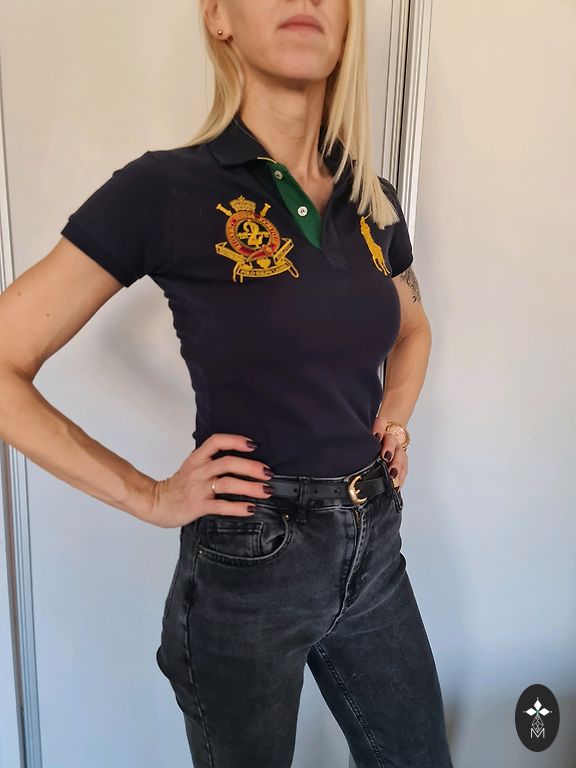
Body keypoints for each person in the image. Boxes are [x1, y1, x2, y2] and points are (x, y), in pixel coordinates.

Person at [0, 0, 454, 766]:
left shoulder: (372, 198)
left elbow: (413, 327)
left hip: (375, 542)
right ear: (219, 18)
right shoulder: (164, 190)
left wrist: (395, 416)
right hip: (250, 559)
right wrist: (147, 496)